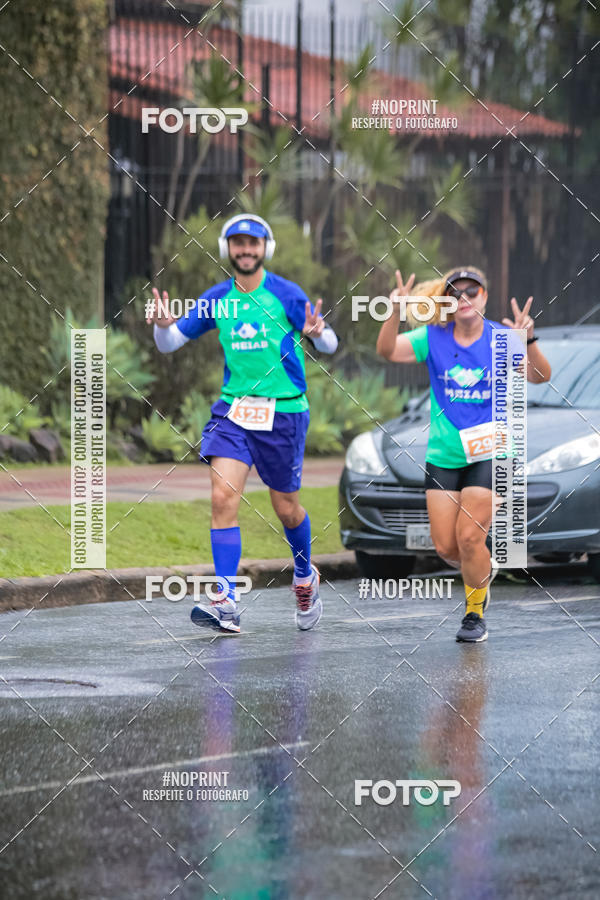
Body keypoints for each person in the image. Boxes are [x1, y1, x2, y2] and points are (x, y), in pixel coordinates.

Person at [146, 214, 338, 633]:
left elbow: (330, 342)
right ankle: (227, 600)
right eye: (238, 243)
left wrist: (318, 334)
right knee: (222, 497)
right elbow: (171, 342)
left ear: (265, 249)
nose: (245, 250)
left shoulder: (287, 294)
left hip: (285, 412)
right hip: (234, 411)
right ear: (227, 249)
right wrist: (163, 327)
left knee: (286, 508)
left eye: (253, 243)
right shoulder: (218, 297)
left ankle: (305, 576)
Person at [376, 266, 551, 642]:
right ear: (446, 301)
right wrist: (395, 311)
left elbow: (540, 376)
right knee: (446, 547)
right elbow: (388, 350)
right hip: (445, 453)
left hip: (494, 450)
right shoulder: (433, 337)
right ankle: (481, 566)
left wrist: (529, 339)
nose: (464, 298)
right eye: (455, 293)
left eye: (472, 291)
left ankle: (474, 614)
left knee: (470, 538)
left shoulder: (503, 339)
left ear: (484, 297)